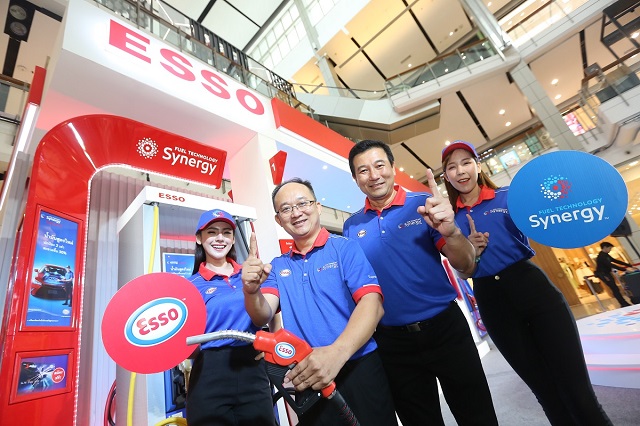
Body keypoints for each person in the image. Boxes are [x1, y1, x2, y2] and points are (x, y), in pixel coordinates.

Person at [440, 140, 612, 425]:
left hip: (532, 288)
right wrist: (469, 249)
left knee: (578, 392)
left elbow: (550, 215)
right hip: (492, 301)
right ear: (446, 176)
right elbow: (462, 273)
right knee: (547, 395)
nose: (460, 171)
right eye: (452, 167)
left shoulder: (509, 197)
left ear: (478, 166)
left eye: (466, 162)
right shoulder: (449, 220)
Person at [343, 140, 498, 426]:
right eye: (363, 170)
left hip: (445, 329)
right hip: (392, 343)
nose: (374, 175)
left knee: (477, 415)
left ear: (392, 167)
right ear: (355, 179)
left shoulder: (423, 205)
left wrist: (451, 232)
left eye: (379, 165)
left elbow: (466, 264)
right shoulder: (351, 226)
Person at [242, 178, 398, 426]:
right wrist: (251, 291)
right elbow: (262, 314)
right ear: (278, 220)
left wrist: (336, 354)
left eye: (302, 203)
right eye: (286, 209)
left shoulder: (345, 248)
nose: (296, 213)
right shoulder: (278, 266)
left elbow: (373, 304)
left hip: (358, 367)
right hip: (309, 376)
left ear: (317, 206)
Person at [185, 209, 276, 426]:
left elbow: (271, 315)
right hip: (209, 371)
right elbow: (187, 344)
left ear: (233, 239)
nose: (220, 238)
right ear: (199, 238)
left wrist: (272, 346)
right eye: (212, 232)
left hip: (253, 367)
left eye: (226, 232)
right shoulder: (189, 287)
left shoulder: (254, 273)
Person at [594, 241, 635, 307]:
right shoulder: (602, 256)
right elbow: (611, 265)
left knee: (615, 288)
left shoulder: (605, 255)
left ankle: (623, 303)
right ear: (605, 247)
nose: (610, 250)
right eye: (609, 248)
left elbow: (615, 261)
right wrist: (624, 269)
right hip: (603, 274)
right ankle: (623, 303)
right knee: (614, 288)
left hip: (606, 273)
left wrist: (628, 265)